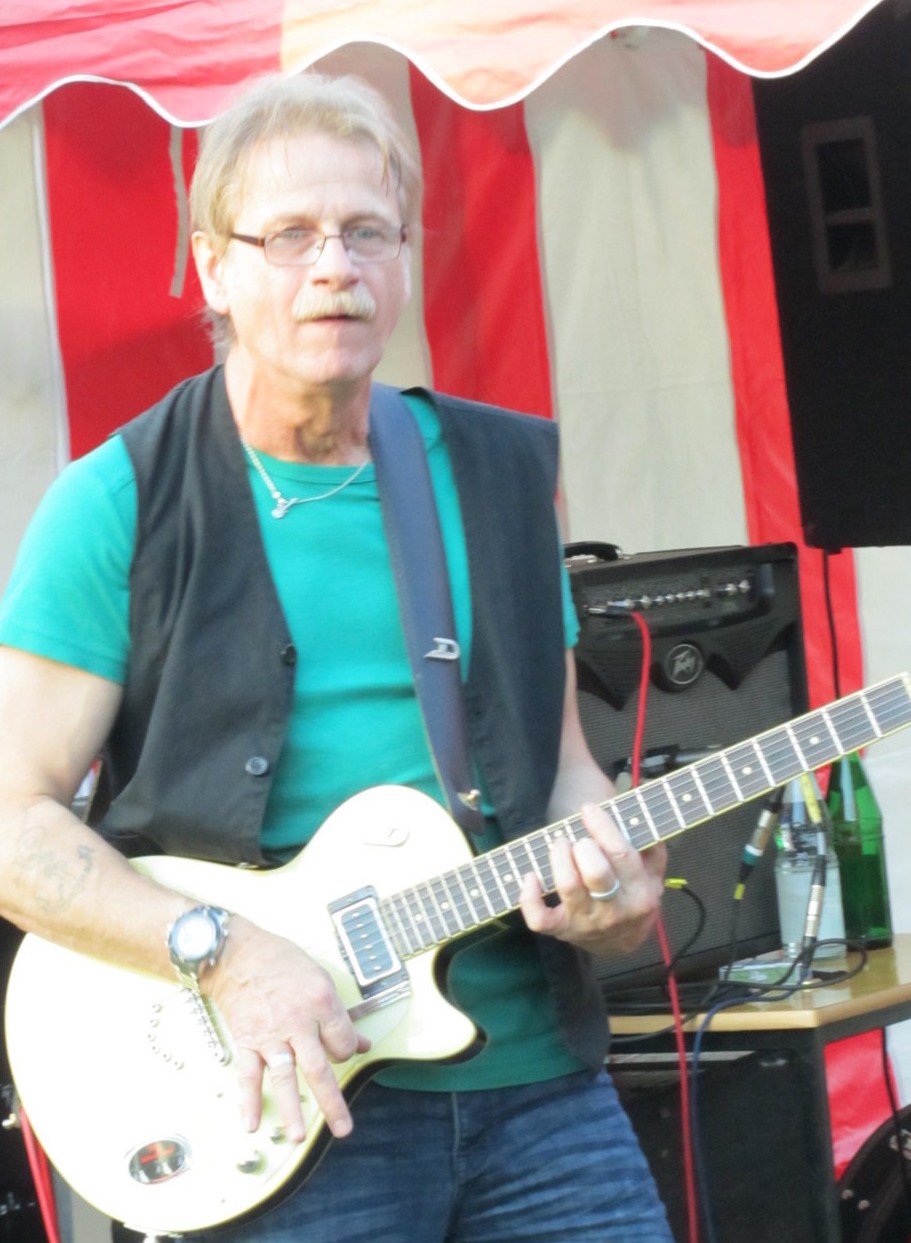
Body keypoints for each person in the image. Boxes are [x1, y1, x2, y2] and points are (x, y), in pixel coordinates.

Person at [0, 72, 672, 1242]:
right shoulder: (118, 501)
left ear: (404, 257)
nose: (334, 266)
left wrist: (615, 896)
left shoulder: (500, 476)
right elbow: (13, 824)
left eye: (367, 231)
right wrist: (219, 953)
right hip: (273, 1099)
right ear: (212, 267)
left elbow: (564, 770)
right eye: (291, 235)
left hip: (535, 1086)